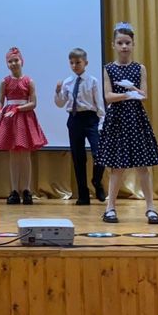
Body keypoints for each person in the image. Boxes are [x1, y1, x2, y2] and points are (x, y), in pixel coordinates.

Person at [97, 22, 158, 224]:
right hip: (117, 120)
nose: (124, 46)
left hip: (135, 118)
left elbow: (144, 95)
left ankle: (151, 208)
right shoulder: (109, 68)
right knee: (117, 167)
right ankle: (110, 208)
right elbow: (108, 96)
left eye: (127, 42)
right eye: (120, 43)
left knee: (143, 166)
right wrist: (127, 94)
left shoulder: (139, 68)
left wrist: (132, 89)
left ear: (133, 44)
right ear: (113, 45)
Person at [0, 47, 47, 205]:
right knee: (13, 155)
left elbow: (33, 103)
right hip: (10, 119)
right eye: (10, 61)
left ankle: (26, 190)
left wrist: (18, 109)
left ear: (22, 61)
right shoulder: (4, 82)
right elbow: (0, 100)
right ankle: (14, 190)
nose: (13, 63)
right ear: (7, 64)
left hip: (25, 117)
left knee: (25, 155)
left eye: (16, 60)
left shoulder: (29, 81)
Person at [55, 47, 106, 205]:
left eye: (78, 62)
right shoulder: (67, 82)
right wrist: (57, 92)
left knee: (99, 154)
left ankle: (97, 181)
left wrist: (101, 123)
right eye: (71, 63)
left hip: (91, 119)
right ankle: (83, 194)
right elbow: (60, 103)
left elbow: (99, 104)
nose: (74, 65)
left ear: (86, 63)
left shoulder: (93, 81)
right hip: (74, 119)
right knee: (78, 158)